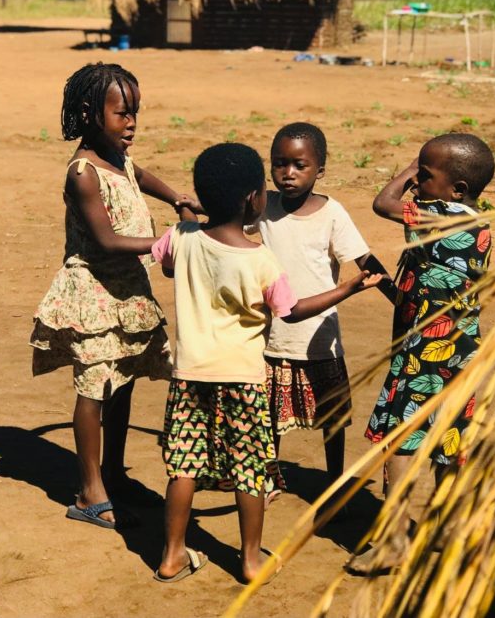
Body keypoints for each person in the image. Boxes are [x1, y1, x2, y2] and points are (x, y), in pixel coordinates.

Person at [151, 143, 381, 584]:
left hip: (189, 376)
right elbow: (291, 311)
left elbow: (169, 262)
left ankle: (172, 556)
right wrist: (347, 290)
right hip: (244, 378)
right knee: (250, 471)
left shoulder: (181, 239)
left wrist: (186, 219)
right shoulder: (260, 259)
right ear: (255, 200)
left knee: (183, 467)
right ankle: (252, 560)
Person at [30, 63, 194, 530]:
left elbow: (138, 174)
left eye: (135, 113)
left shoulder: (117, 157)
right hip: (94, 294)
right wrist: (166, 242)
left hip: (127, 292)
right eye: (122, 114)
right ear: (89, 113)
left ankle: (112, 473)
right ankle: (89, 489)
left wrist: (176, 196)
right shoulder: (82, 173)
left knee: (122, 381)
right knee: (95, 386)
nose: (132, 124)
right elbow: (104, 241)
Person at [347, 132, 495, 574]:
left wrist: (408, 168)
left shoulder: (444, 217)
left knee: (400, 440)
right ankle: (450, 530)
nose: (416, 183)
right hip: (461, 352)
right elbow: (431, 291)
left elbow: (382, 202)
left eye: (426, 176)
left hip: (424, 355)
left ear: (457, 191)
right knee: (450, 437)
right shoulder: (477, 225)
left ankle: (393, 540)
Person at [249, 122, 394, 499]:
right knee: (270, 416)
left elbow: (366, 261)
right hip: (272, 332)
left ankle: (334, 480)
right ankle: (269, 476)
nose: (288, 174)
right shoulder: (264, 205)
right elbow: (224, 218)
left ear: (320, 171)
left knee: (333, 418)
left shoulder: (332, 213)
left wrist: (402, 301)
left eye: (299, 165)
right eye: (280, 164)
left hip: (319, 336)